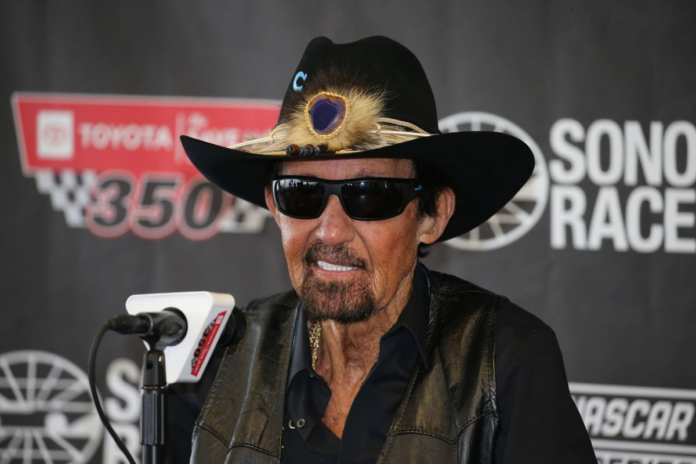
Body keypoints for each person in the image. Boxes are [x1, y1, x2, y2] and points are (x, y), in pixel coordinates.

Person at [170, 36, 596, 463]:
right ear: (273, 206)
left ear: (433, 215)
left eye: (369, 195)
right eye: (301, 193)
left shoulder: (506, 360)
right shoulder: (218, 359)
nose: (331, 232)